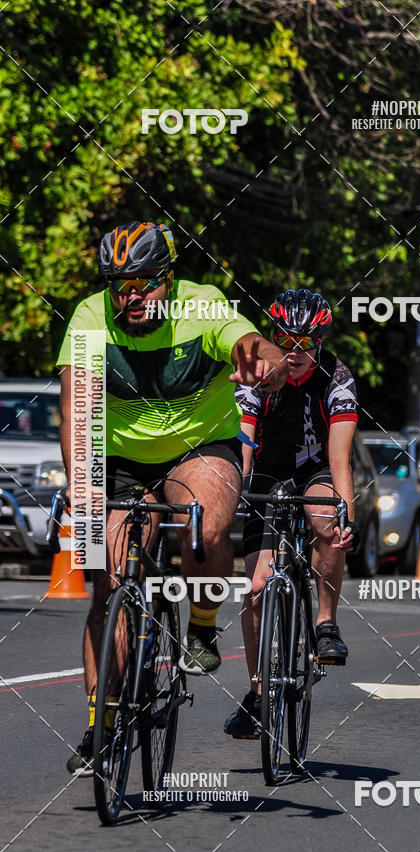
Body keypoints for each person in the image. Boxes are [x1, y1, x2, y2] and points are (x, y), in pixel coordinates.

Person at [57, 221, 288, 773]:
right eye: (119, 285)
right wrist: (82, 484)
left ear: (169, 277)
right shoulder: (92, 318)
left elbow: (251, 343)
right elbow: (75, 406)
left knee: (202, 523)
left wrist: (264, 360)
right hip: (120, 455)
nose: (130, 297)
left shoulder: (202, 306)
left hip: (199, 445)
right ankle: (102, 721)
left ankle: (203, 624)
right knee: (107, 580)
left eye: (143, 284)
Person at [224, 288, 359, 738]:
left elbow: (340, 458)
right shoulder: (259, 376)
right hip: (268, 470)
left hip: (316, 468)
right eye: (287, 340)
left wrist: (347, 516)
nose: (296, 352)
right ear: (275, 337)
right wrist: (233, 491)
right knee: (258, 589)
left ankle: (324, 622)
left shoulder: (337, 378)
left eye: (307, 343)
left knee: (325, 516)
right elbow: (243, 444)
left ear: (319, 341)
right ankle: (259, 695)